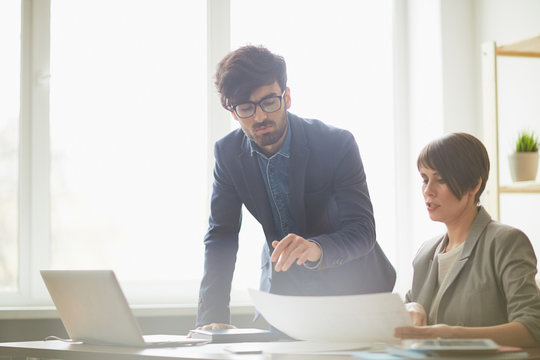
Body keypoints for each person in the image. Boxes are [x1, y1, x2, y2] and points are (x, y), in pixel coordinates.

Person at [195, 45, 396, 330]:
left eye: (269, 102)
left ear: (287, 97)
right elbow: (221, 237)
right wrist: (211, 320)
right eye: (246, 108)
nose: (260, 117)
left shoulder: (336, 144)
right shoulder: (228, 154)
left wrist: (315, 248)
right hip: (284, 296)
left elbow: (362, 229)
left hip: (353, 290)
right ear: (233, 111)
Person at [395, 132, 540, 347]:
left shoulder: (506, 242)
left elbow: (532, 328)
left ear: (474, 185)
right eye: (425, 179)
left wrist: (453, 334)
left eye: (440, 179)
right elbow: (405, 319)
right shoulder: (425, 253)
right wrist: (409, 309)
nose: (428, 191)